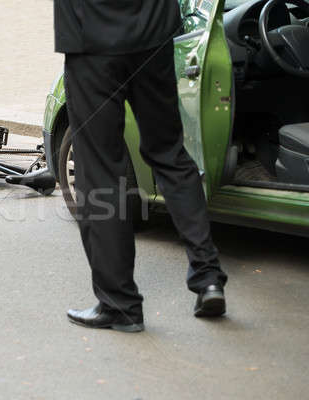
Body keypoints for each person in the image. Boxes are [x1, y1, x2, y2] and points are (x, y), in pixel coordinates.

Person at [54, 0, 228, 332]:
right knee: (169, 153)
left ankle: (120, 304)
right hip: (153, 36)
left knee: (99, 168)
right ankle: (208, 278)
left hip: (92, 40)